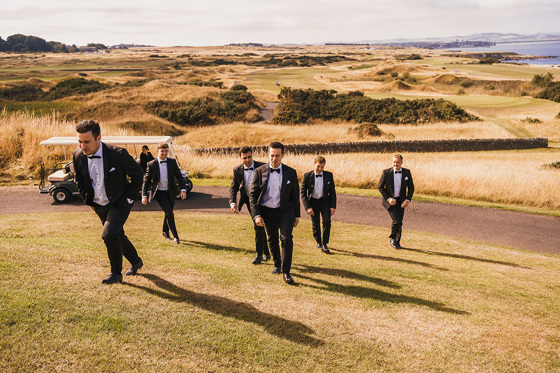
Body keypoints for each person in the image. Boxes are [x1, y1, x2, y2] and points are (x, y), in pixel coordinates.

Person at [73, 120, 144, 284]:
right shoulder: (78, 155)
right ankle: (136, 261)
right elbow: (79, 181)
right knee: (117, 234)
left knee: (109, 234)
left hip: (119, 203)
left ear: (98, 138)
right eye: (79, 142)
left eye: (86, 142)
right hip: (98, 205)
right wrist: (88, 201)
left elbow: (138, 174)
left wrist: (129, 198)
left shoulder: (118, 153)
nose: (82, 146)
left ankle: (116, 274)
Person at [250, 142, 300, 284]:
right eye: (272, 155)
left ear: (282, 155)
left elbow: (295, 196)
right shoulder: (260, 171)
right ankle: (277, 264)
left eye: (277, 155)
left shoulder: (291, 172)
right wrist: (257, 215)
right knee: (271, 240)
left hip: (285, 211)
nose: (274, 158)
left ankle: (286, 272)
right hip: (267, 211)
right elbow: (253, 195)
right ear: (268, 155)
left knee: (286, 238)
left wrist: (297, 215)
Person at [229, 146, 270, 264]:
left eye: (249, 157)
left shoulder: (263, 167)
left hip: (264, 200)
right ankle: (260, 254)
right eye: (245, 158)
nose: (248, 160)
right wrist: (233, 202)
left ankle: (265, 252)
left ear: (252, 155)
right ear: (240, 158)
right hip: (250, 202)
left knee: (263, 226)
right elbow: (233, 187)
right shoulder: (237, 170)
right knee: (258, 225)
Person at [142, 142, 187, 244]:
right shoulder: (151, 164)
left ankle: (165, 231)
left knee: (168, 213)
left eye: (166, 151)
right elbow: (146, 180)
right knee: (170, 213)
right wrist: (144, 195)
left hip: (171, 192)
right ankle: (176, 236)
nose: (164, 153)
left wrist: (183, 189)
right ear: (157, 151)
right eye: (162, 151)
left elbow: (179, 177)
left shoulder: (172, 162)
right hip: (159, 193)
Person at [301, 156, 336, 254]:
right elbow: (303, 193)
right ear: (314, 164)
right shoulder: (307, 176)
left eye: (322, 167)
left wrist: (333, 206)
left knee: (327, 221)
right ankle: (318, 241)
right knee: (315, 223)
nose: (320, 169)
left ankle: (325, 243)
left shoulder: (329, 175)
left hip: (325, 202)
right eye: (318, 166)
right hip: (313, 202)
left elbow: (332, 192)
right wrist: (307, 207)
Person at [378, 154, 414, 249]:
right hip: (390, 201)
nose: (396, 164)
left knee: (399, 222)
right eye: (394, 162)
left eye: (398, 162)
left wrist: (407, 200)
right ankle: (393, 238)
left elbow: (411, 188)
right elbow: (380, 187)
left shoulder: (407, 172)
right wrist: (389, 199)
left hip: (401, 201)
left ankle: (397, 242)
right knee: (396, 221)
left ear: (401, 162)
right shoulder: (386, 172)